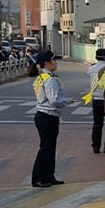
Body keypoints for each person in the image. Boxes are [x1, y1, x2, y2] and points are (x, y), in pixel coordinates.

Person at [28, 50, 72, 188]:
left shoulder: (42, 77)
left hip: (44, 115)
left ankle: (48, 176)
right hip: (47, 116)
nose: (56, 62)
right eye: (54, 60)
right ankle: (38, 178)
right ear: (47, 63)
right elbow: (54, 100)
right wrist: (67, 101)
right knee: (46, 148)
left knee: (50, 147)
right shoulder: (50, 79)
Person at [86, 48, 105, 154]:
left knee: (97, 124)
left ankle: (96, 146)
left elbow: (88, 74)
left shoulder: (91, 68)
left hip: (96, 99)